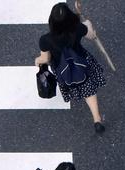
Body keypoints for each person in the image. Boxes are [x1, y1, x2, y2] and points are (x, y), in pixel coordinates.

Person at [34, 2, 107, 133]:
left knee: (75, 85)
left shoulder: (45, 40)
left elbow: (46, 59)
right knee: (88, 90)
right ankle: (97, 119)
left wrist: (37, 61)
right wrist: (86, 21)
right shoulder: (78, 29)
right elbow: (91, 35)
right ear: (70, 18)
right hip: (81, 63)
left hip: (63, 70)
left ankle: (77, 94)